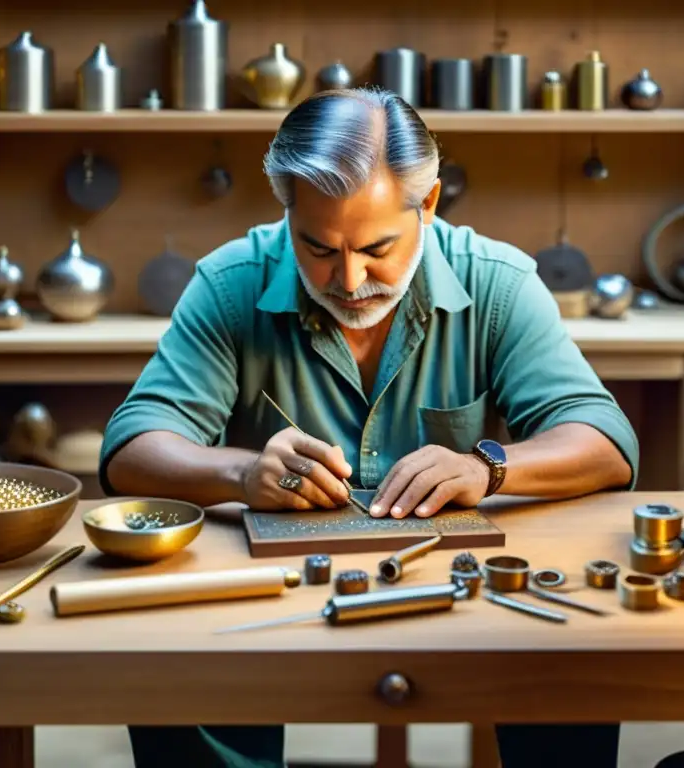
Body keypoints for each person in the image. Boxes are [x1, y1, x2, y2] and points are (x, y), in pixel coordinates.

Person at [100, 87, 639, 768]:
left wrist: (487, 468)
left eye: (378, 247)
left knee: (570, 670)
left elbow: (604, 437)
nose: (350, 280)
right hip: (274, 593)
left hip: (459, 583)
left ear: (430, 203)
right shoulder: (232, 282)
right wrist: (239, 472)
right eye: (318, 247)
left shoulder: (497, 282)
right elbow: (133, 444)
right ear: (286, 208)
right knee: (180, 677)